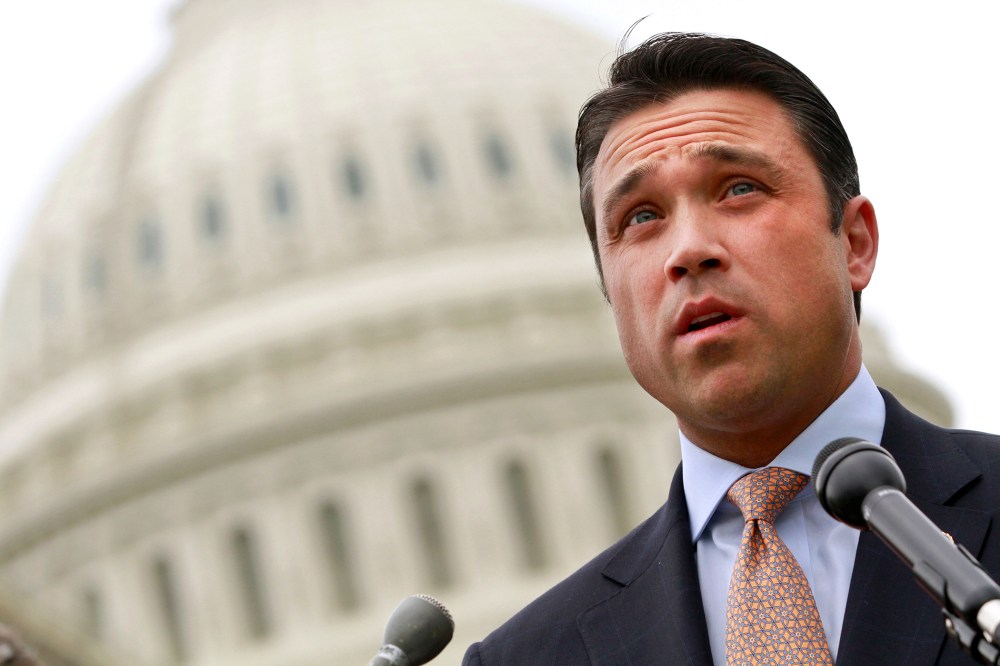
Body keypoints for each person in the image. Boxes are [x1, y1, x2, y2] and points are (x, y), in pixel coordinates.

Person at [463, 32, 1000, 665]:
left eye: (738, 188)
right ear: (610, 291)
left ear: (854, 243)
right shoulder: (531, 659)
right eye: (640, 217)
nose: (689, 249)